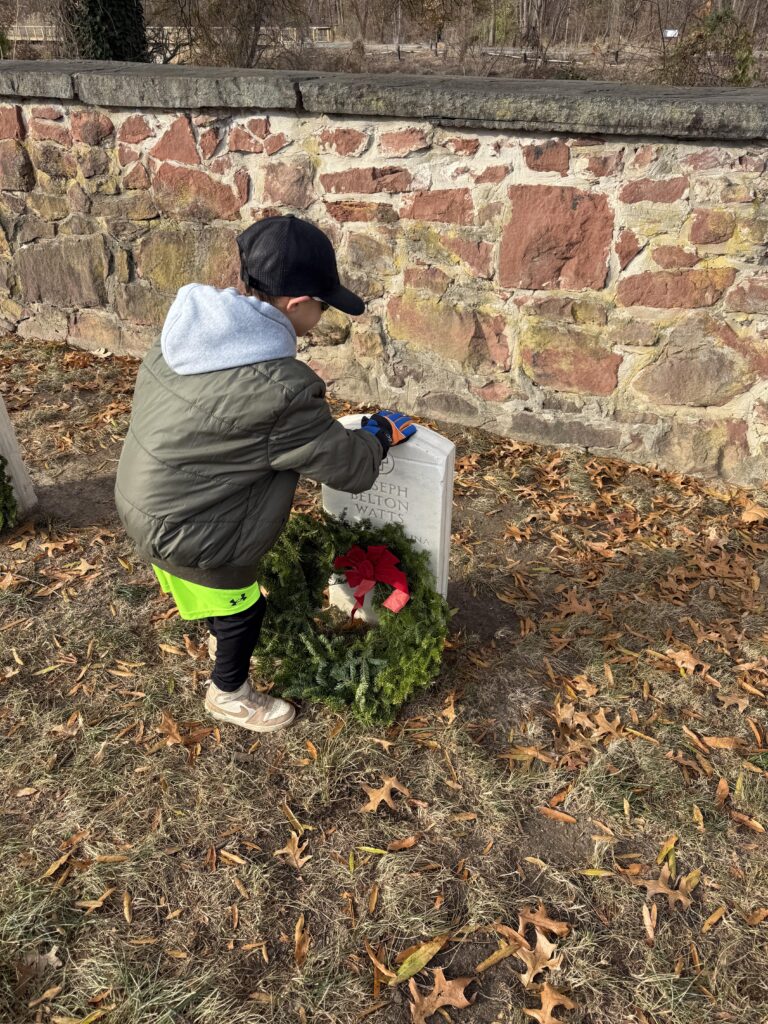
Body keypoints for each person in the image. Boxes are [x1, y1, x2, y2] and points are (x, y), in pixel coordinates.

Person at [114, 214, 416, 734]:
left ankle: (215, 624)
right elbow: (349, 468)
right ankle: (229, 693)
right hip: (189, 531)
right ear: (298, 305)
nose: (322, 315)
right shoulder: (282, 390)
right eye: (323, 306)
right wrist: (380, 435)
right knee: (244, 611)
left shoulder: (189, 335)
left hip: (145, 502)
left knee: (223, 602)